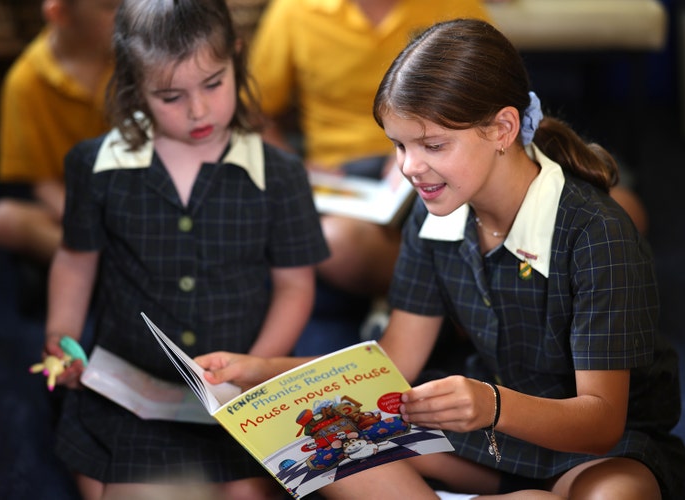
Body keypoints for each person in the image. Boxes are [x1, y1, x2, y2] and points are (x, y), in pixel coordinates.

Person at [196, 18, 685, 499]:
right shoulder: (434, 218)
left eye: (432, 145)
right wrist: (259, 371)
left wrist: (492, 405)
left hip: (594, 449)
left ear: (502, 128)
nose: (409, 167)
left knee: (614, 495)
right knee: (323, 444)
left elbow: (600, 422)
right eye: (399, 146)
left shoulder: (595, 233)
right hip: (491, 442)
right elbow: (392, 363)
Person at [43, 0, 329, 498]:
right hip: (131, 388)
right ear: (134, 85)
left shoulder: (281, 175)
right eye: (171, 95)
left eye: (214, 84)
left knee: (244, 493)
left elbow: (294, 286)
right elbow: (74, 261)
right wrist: (61, 333)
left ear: (236, 59)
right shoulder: (93, 166)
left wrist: (256, 371)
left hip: (242, 387)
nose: (198, 110)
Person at [248, 0, 492, 354]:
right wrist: (294, 165)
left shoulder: (457, 5)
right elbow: (253, 113)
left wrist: (420, 150)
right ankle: (450, 307)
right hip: (343, 176)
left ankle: (419, 312)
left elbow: (492, 96)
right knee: (335, 242)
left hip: (437, 158)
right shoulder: (294, 11)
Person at [0, 0, 118, 266]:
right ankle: (98, 264)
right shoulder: (25, 82)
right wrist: (88, 220)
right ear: (59, 13)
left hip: (133, 198)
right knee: (1, 219)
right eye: (111, 7)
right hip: (70, 206)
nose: (129, 13)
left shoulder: (135, 58)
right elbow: (44, 184)